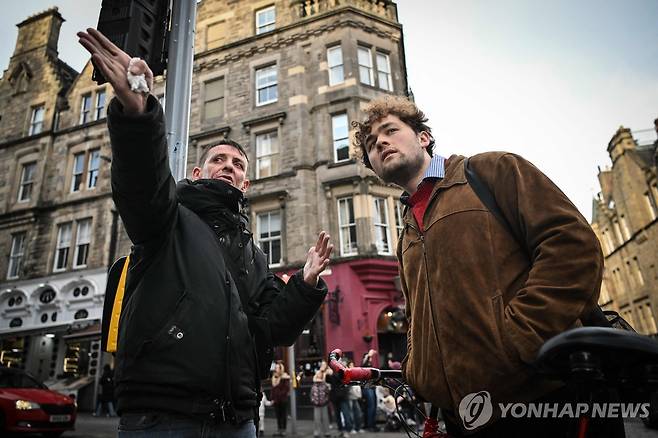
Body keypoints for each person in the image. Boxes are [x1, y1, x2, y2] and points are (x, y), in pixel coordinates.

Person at [77, 28, 334, 438]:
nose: (229, 166)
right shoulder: (169, 217)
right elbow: (142, 184)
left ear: (246, 184)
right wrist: (139, 116)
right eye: (219, 159)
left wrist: (305, 283)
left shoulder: (253, 253)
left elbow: (275, 329)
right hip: (162, 416)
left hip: (236, 418)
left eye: (238, 163)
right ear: (198, 173)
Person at [352, 96, 621, 438]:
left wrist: (519, 339)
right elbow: (418, 319)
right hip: (465, 418)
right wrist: (421, 374)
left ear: (424, 137)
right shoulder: (405, 233)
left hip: (544, 399)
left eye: (390, 130)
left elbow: (572, 247)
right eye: (372, 144)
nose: (382, 143)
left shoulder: (492, 171)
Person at [310, 361, 332, 438]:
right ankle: (317, 432)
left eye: (324, 365)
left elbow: (327, 391)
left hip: (324, 402)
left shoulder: (328, 372)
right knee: (317, 419)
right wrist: (313, 400)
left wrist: (326, 400)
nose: (322, 366)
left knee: (325, 418)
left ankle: (327, 432)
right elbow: (312, 393)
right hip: (316, 402)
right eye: (322, 365)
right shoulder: (314, 384)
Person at [270, 362, 291, 437]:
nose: (275, 369)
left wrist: (278, 395)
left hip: (282, 400)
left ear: (281, 369)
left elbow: (286, 389)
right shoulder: (274, 377)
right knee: (278, 415)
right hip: (276, 400)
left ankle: (283, 430)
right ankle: (279, 430)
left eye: (277, 368)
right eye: (275, 368)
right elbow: (273, 389)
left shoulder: (284, 377)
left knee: (283, 415)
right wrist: (272, 398)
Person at [360, 350, 378, 432]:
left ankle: (372, 424)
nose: (370, 358)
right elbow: (363, 363)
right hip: (367, 388)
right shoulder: (364, 365)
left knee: (373, 407)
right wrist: (369, 355)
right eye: (368, 357)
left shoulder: (370, 365)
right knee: (371, 407)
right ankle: (370, 425)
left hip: (372, 387)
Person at [345, 361, 364, 433]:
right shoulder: (347, 374)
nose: (352, 366)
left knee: (358, 413)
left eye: (353, 365)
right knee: (351, 413)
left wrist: (359, 395)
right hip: (350, 397)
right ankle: (351, 428)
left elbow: (358, 385)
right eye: (351, 365)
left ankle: (358, 428)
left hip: (355, 397)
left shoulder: (355, 374)